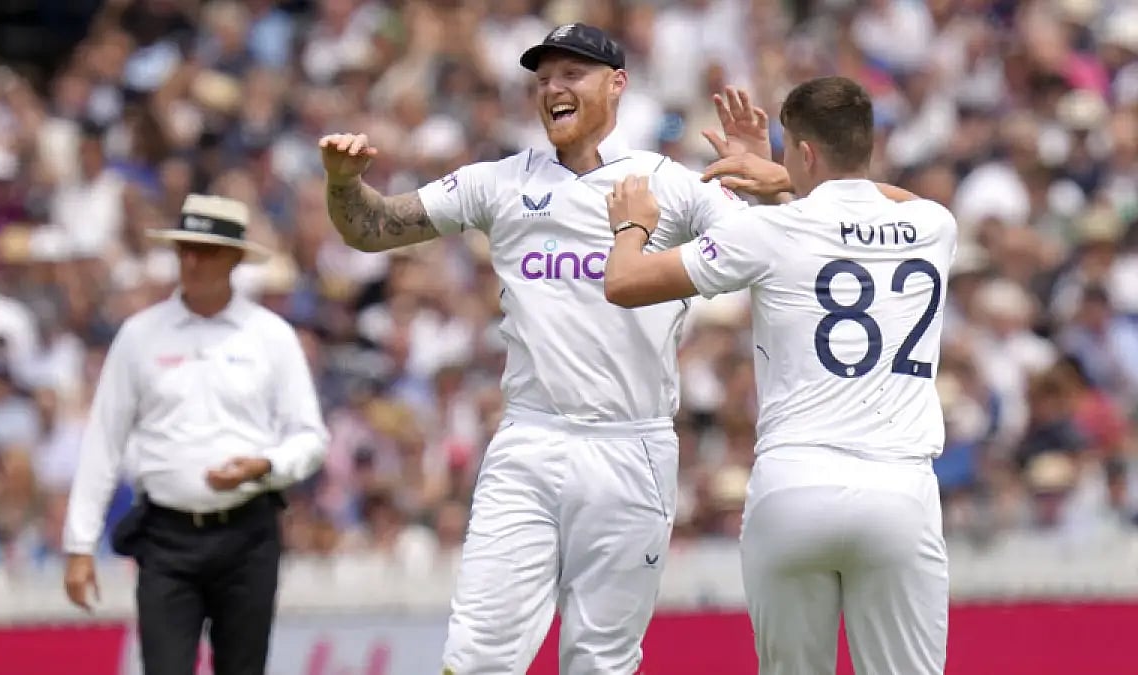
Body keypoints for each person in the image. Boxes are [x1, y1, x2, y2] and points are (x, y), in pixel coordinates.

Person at [319, 22, 769, 675]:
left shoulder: (665, 184)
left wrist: (761, 186)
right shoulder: (499, 182)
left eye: (571, 74)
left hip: (631, 444)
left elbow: (761, 250)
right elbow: (372, 227)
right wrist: (341, 182)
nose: (552, 88)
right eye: (543, 78)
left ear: (617, 85)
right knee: (475, 657)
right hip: (529, 440)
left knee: (600, 661)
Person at [601, 76, 953, 675]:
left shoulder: (766, 231)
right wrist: (785, 178)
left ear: (806, 151)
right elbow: (876, 205)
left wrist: (631, 225)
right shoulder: (934, 224)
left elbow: (625, 283)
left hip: (794, 486)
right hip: (900, 490)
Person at [62, 194, 329, 675]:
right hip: (166, 537)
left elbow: (310, 438)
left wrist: (265, 466)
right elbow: (103, 441)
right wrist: (80, 545)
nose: (191, 261)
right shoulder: (140, 335)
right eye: (184, 249)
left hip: (247, 533)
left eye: (204, 250)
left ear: (235, 258)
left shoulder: (270, 336)